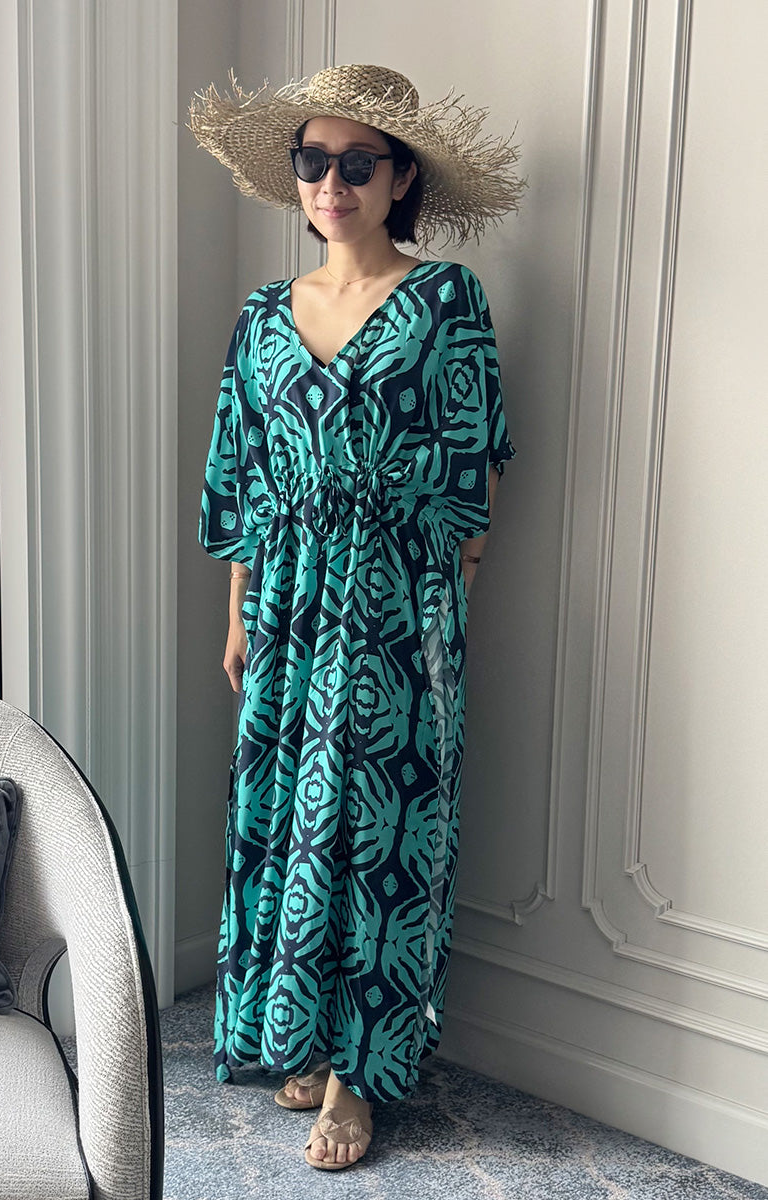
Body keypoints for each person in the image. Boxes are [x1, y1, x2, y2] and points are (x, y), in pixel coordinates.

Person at [189, 63, 524, 1171]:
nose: (330, 183)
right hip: (285, 601)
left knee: (374, 824)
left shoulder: (446, 301)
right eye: (313, 161)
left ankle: (355, 1077)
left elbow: (474, 476)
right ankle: (297, 1033)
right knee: (290, 813)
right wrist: (237, 616)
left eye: (357, 163)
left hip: (396, 598)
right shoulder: (262, 313)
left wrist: (440, 622)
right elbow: (241, 481)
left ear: (400, 179)